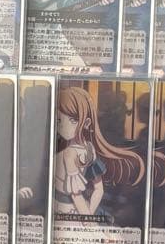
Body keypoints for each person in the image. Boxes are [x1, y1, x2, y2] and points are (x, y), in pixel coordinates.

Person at [53, 87, 144, 219]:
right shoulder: (89, 147)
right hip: (79, 209)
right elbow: (98, 190)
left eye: (72, 120)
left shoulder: (71, 152)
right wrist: (90, 215)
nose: (61, 125)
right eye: (58, 120)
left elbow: (77, 195)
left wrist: (87, 219)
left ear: (86, 122)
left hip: (67, 210)